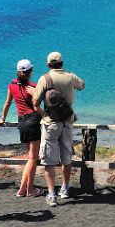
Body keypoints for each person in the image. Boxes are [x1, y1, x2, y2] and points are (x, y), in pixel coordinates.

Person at [30, 51, 85, 207]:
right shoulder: (70, 77)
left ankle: (51, 194)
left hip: (50, 123)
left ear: (48, 64)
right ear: (62, 63)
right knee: (66, 157)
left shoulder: (44, 78)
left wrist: (45, 114)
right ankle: (65, 188)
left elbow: (35, 103)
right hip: (67, 122)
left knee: (49, 160)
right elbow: (82, 85)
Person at [0, 59, 43, 197]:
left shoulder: (12, 85)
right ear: (30, 72)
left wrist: (2, 118)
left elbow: (7, 103)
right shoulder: (33, 87)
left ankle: (22, 190)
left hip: (21, 122)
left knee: (31, 158)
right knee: (33, 159)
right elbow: (37, 105)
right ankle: (30, 190)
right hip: (33, 122)